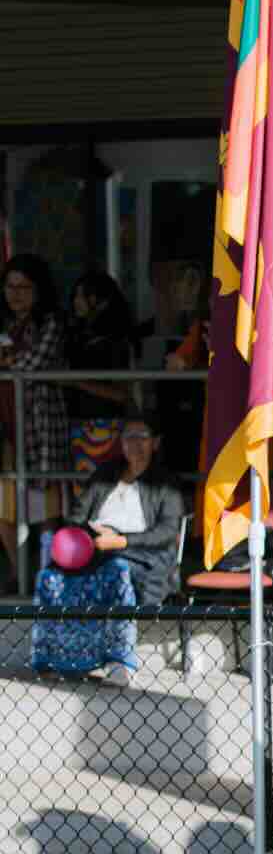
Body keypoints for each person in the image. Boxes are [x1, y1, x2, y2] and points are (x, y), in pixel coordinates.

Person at [29, 409, 185, 685]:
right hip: (94, 549)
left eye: (142, 436)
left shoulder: (165, 481)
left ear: (156, 442)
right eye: (128, 436)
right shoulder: (106, 474)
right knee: (49, 578)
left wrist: (122, 541)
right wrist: (90, 536)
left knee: (116, 572)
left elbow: (167, 532)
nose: (134, 443)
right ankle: (54, 660)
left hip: (141, 555)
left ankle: (118, 662)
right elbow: (76, 516)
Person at [1, 254, 69, 549]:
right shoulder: (5, 324)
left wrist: (7, 360)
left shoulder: (50, 323)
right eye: (10, 286)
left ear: (39, 290)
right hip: (5, 425)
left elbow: (31, 364)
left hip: (40, 423)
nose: (15, 294)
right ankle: (18, 577)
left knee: (44, 503)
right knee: (5, 504)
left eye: (24, 287)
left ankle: (47, 573)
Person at [64, 272, 135, 477]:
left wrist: (74, 381)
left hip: (105, 427)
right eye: (76, 296)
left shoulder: (115, 342)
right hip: (79, 425)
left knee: (102, 493)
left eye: (84, 296)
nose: (77, 302)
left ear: (103, 301)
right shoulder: (80, 336)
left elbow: (121, 393)